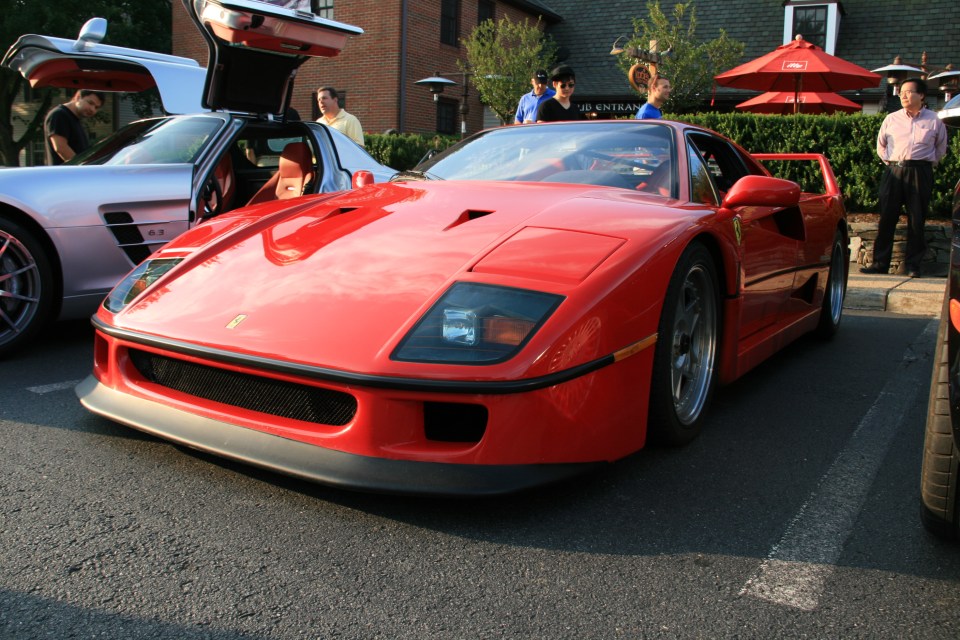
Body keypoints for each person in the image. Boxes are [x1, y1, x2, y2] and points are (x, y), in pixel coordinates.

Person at [861, 78, 947, 278]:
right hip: (894, 171)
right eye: (901, 92)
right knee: (887, 217)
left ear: (922, 95)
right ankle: (880, 263)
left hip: (920, 172)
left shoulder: (934, 120)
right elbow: (881, 146)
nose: (903, 96)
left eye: (908, 92)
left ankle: (913, 266)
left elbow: (940, 148)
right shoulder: (891, 118)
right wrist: (892, 164)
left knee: (917, 219)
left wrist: (926, 164)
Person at [44, 90, 104, 165]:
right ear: (78, 97)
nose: (92, 109)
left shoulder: (75, 119)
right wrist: (81, 167)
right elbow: (60, 148)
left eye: (96, 107)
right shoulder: (59, 115)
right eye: (90, 103)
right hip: (64, 174)